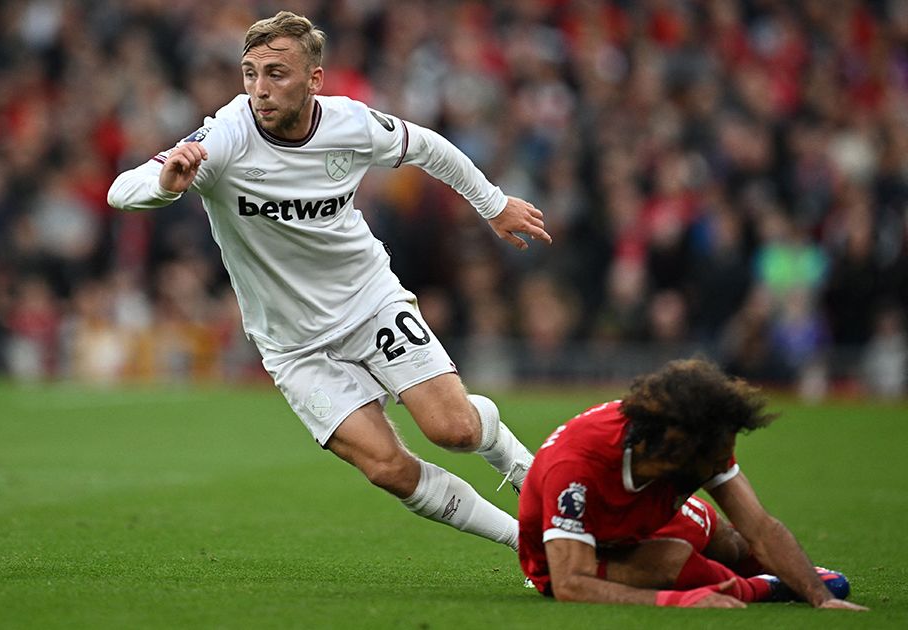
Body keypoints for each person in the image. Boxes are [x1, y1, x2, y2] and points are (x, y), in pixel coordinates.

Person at [108, 12, 548, 552]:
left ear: (314, 79)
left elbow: (429, 147)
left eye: (276, 74)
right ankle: (529, 541)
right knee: (388, 468)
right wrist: (165, 184)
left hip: (369, 303)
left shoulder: (350, 124)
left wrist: (494, 204)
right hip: (293, 345)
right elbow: (122, 190)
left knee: (453, 430)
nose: (259, 91)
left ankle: (513, 457)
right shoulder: (224, 137)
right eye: (249, 74)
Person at [517, 358, 868, 610]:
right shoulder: (576, 469)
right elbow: (569, 583)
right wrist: (680, 600)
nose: (724, 463)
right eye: (717, 459)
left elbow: (759, 528)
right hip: (566, 556)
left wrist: (820, 597)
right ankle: (758, 589)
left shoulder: (689, 439)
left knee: (727, 541)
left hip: (637, 517)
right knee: (672, 561)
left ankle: (776, 579)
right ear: (678, 451)